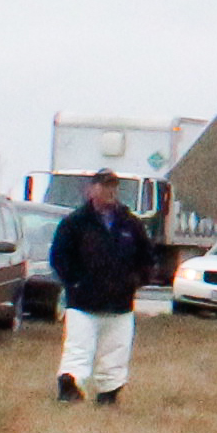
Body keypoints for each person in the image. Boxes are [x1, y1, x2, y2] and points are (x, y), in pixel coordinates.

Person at [45, 168, 158, 408]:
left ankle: (108, 395)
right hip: (83, 304)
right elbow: (59, 257)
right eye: (104, 185)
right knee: (78, 349)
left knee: (115, 353)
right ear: (91, 189)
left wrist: (135, 282)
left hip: (119, 305)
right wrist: (75, 282)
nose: (110, 191)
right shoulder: (75, 223)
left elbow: (147, 258)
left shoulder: (130, 224)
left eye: (113, 186)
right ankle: (69, 390)